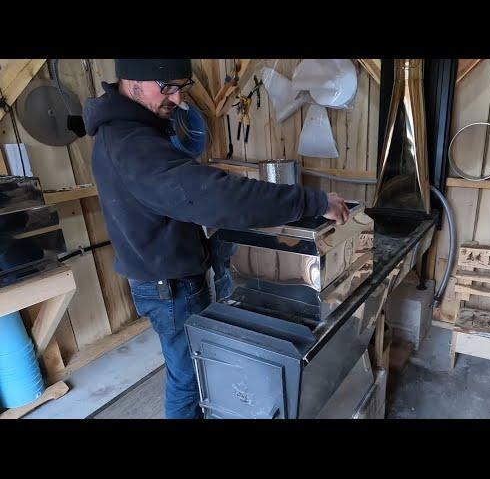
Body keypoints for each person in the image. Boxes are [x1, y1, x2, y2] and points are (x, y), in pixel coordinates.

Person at [83, 59, 350, 419]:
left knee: (188, 371)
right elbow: (218, 198)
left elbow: (182, 192)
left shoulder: (131, 132)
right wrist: (312, 201)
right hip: (171, 287)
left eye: (182, 87)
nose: (177, 99)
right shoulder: (132, 144)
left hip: (163, 277)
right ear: (133, 80)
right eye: (168, 87)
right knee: (189, 378)